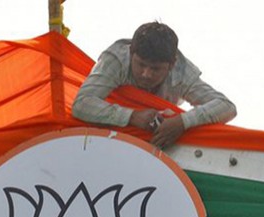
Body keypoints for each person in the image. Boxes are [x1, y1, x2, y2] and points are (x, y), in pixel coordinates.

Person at [72, 22, 236, 148]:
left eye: (155, 69)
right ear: (131, 54)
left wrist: (182, 122)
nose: (146, 74)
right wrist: (131, 116)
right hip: (107, 142)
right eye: (141, 65)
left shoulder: (182, 71)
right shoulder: (116, 59)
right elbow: (82, 104)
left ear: (171, 65)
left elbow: (227, 107)